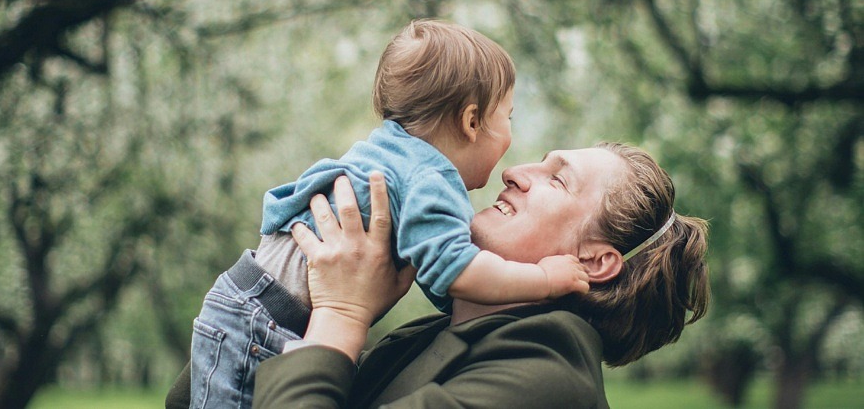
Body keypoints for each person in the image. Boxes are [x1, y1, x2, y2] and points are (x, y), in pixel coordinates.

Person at [189, 20, 589, 409]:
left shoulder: (388, 152)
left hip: (246, 297)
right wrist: (544, 278)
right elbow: (457, 272)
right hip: (266, 319)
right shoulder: (430, 177)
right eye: (509, 117)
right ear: (471, 121)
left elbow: (439, 276)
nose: (512, 166)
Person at [168, 142, 710, 408]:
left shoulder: (546, 384)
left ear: (595, 262)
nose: (514, 171)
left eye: (557, 179)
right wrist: (291, 291)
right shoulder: (432, 336)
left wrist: (341, 314)